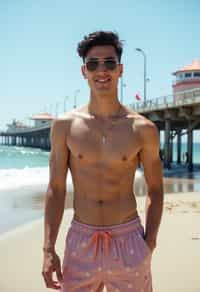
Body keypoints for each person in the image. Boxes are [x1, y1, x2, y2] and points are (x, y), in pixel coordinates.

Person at [42, 31, 164, 292]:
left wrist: (150, 241)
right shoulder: (64, 126)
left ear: (120, 70)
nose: (101, 70)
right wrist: (48, 248)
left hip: (129, 240)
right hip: (81, 240)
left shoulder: (143, 129)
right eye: (92, 64)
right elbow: (56, 189)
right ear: (83, 71)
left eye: (109, 63)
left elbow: (155, 188)